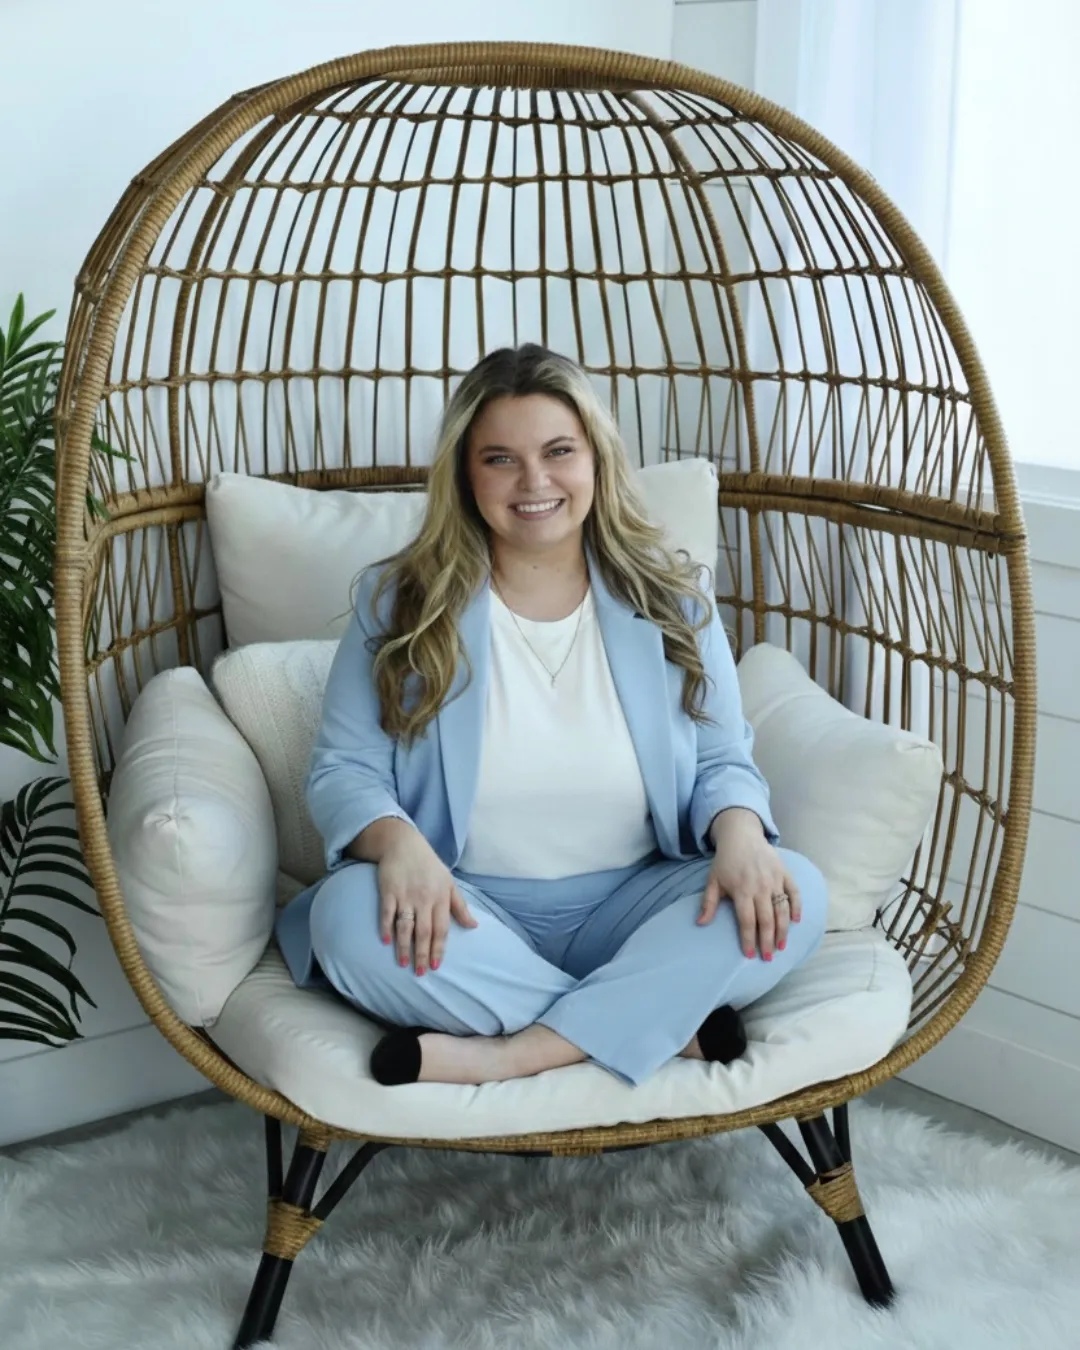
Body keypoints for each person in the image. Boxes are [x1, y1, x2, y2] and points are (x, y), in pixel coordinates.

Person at [274, 343, 828, 1089]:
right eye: (500, 459)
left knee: (796, 891)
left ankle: (513, 1052)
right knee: (344, 917)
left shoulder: (676, 604)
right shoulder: (396, 603)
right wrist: (399, 845)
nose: (534, 482)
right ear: (465, 475)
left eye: (558, 451)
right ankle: (653, 1021)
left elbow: (723, 759)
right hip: (464, 905)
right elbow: (345, 770)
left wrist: (740, 835)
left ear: (596, 458)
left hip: (639, 901)